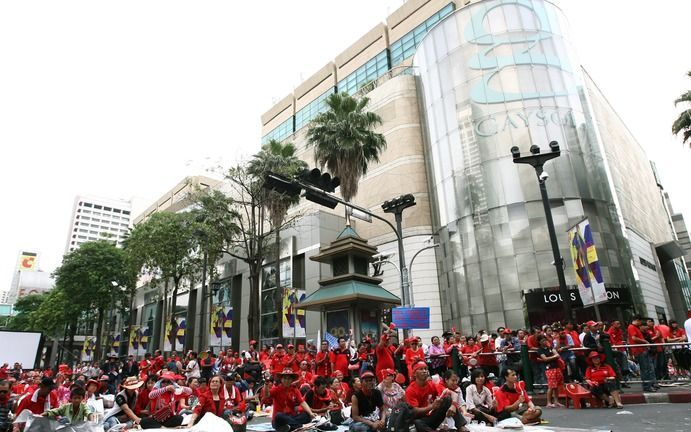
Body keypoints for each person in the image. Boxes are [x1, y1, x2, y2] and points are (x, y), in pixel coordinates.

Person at [405, 362, 452, 432]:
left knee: (448, 399)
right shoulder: (410, 390)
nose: (424, 371)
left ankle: (461, 426)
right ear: (415, 374)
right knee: (417, 423)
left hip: (432, 416)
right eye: (421, 369)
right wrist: (432, 406)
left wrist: (453, 405)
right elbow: (414, 412)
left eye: (426, 369)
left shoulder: (431, 384)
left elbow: (447, 393)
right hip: (421, 420)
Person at [628, 316, 658, 392]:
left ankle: (649, 384)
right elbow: (634, 338)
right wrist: (645, 341)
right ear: (637, 320)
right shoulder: (632, 327)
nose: (641, 324)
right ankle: (647, 386)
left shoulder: (636, 327)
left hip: (643, 350)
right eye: (640, 322)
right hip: (639, 350)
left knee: (647, 368)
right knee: (645, 369)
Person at [536, 335, 564, 408]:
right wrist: (553, 357)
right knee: (551, 386)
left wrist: (551, 357)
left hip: (556, 367)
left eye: (545, 340)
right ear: (539, 342)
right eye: (542, 341)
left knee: (556, 386)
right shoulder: (539, 350)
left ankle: (556, 401)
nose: (544, 342)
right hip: (549, 368)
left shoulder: (550, 347)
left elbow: (557, 355)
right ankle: (548, 402)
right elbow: (545, 359)